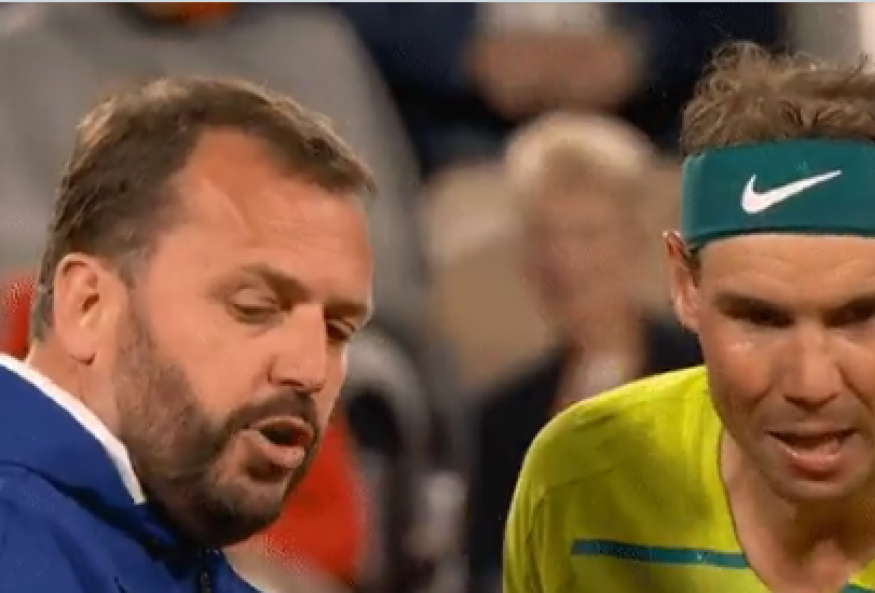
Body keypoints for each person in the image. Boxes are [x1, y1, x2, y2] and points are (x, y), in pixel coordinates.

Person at [503, 42, 875, 593]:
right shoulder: (579, 484)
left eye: (859, 317)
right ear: (685, 286)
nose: (811, 384)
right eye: (760, 319)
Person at [0, 76, 374, 592]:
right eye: (255, 308)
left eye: (337, 331)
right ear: (89, 306)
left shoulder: (159, 545)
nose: (310, 370)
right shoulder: (17, 544)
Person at [465, 113, 701, 593]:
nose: (565, 261)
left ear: (636, 242)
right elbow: (489, 570)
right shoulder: (503, 418)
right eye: (546, 236)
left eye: (587, 234)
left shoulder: (703, 377)